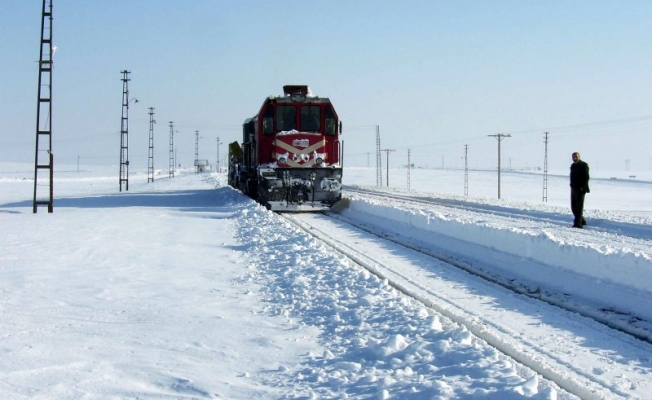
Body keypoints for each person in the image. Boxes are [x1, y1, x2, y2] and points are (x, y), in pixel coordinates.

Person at [569, 152, 590, 228]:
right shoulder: (573, 166)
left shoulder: (584, 165)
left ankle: (578, 223)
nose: (574, 158)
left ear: (579, 157)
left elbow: (586, 177)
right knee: (573, 207)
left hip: (580, 189)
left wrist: (582, 187)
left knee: (579, 207)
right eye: (573, 157)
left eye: (576, 157)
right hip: (573, 188)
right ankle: (582, 220)